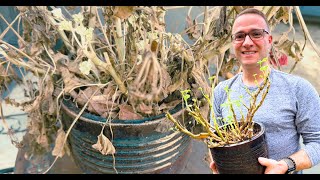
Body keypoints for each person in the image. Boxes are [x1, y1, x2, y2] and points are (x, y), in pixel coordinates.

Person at [209, 8, 320, 174]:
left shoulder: (298, 89)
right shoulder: (221, 91)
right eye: (239, 36)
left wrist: (285, 165)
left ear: (269, 40)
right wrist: (219, 164)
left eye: (256, 34)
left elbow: (317, 143)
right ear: (233, 43)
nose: (247, 42)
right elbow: (215, 142)